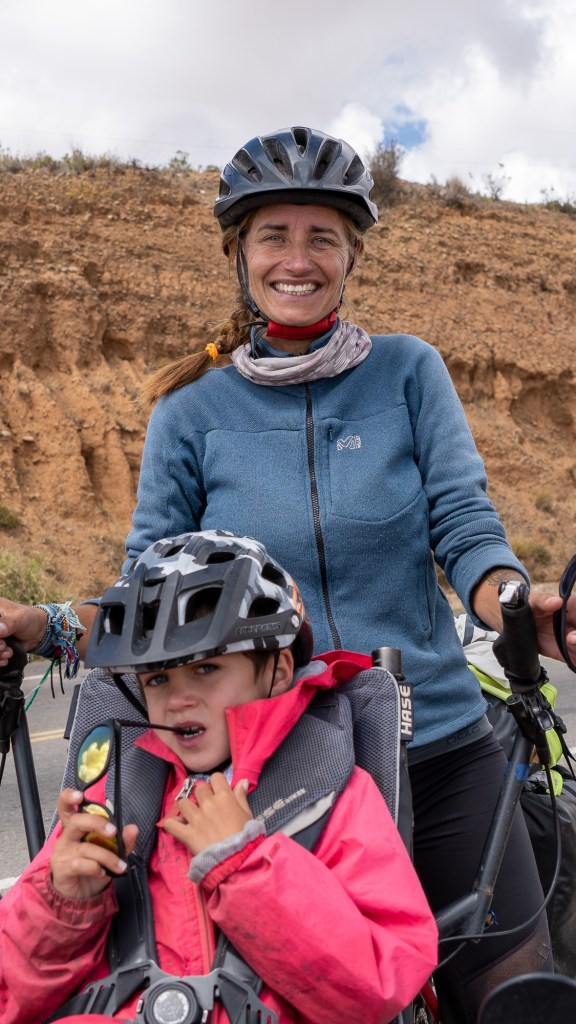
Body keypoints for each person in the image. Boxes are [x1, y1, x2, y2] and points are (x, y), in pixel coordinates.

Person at [1, 125, 576, 1020]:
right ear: (239, 253)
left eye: (322, 238)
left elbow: (465, 528)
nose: (297, 260)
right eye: (274, 235)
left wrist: (512, 602)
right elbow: (147, 584)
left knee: (519, 995)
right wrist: (48, 626)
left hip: (438, 744)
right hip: (272, 768)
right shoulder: (190, 409)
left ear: (353, 256)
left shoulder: (409, 372)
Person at [0, 530, 438, 1024]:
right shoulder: (111, 794)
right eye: (157, 678)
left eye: (205, 668)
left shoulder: (331, 790)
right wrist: (61, 906)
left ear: (278, 670)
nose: (178, 699)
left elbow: (380, 984)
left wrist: (245, 867)